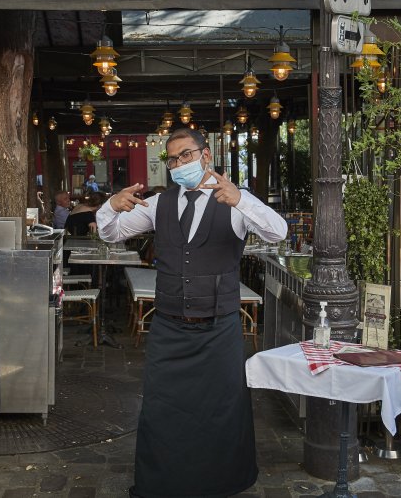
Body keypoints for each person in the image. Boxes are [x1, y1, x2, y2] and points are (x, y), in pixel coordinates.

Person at [96, 128, 287, 498]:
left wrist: (242, 200)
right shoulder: (159, 204)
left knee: (222, 410)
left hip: (219, 328)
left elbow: (277, 232)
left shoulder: (235, 201)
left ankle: (223, 482)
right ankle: (162, 483)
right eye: (172, 159)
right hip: (169, 328)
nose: (178, 164)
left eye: (185, 155)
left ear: (206, 155)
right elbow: (111, 234)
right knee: (162, 410)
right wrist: (111, 205)